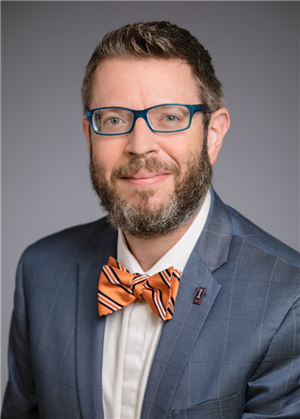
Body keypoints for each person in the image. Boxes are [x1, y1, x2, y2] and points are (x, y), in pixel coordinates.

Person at [1, 21, 300, 419]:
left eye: (170, 117)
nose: (140, 145)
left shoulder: (288, 301)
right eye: (113, 120)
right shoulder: (40, 272)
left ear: (213, 134)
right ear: (90, 138)